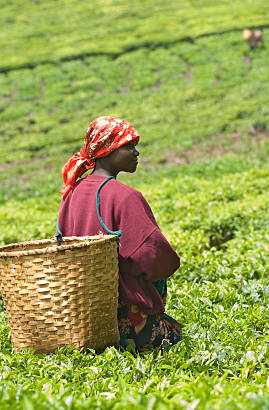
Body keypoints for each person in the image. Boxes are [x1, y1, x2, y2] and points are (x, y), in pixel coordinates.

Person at [56, 116, 182, 351]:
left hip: (82, 318)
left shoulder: (72, 192)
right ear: (108, 150)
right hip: (123, 322)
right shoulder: (126, 196)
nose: (136, 153)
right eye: (129, 146)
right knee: (174, 333)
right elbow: (154, 257)